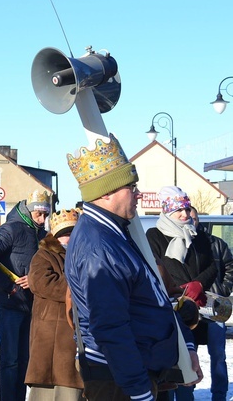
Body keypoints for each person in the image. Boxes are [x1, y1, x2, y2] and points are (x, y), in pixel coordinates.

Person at [63, 134, 202, 401]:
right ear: (106, 192)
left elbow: (153, 297)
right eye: (131, 187)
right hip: (119, 380)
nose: (138, 194)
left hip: (133, 371)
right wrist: (139, 392)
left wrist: (185, 345)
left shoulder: (116, 233)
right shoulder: (99, 247)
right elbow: (110, 326)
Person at [0, 189, 51, 401]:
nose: (42, 219)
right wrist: (8, 286)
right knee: (10, 361)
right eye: (39, 214)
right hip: (10, 305)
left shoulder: (43, 235)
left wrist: (37, 282)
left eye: (45, 215)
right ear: (29, 211)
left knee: (25, 360)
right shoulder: (12, 229)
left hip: (32, 306)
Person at [146, 187, 217, 401]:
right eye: (179, 210)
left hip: (191, 312)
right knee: (167, 371)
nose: (185, 215)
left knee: (189, 370)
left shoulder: (197, 235)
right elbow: (158, 267)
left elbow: (212, 266)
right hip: (166, 310)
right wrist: (183, 288)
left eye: (186, 209)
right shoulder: (154, 235)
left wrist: (198, 284)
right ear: (167, 211)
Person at [25, 208, 84, 401]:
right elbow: (41, 282)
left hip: (73, 335)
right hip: (50, 336)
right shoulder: (43, 255)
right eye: (64, 234)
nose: (68, 238)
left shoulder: (83, 255)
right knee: (47, 388)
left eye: (72, 233)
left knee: (72, 386)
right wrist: (80, 286)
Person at [190, 206, 231, 401]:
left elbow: (230, 267)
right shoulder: (182, 245)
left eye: (194, 216)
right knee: (190, 353)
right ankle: (186, 392)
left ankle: (219, 395)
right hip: (191, 309)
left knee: (218, 355)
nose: (190, 219)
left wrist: (222, 291)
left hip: (215, 309)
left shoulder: (217, 244)